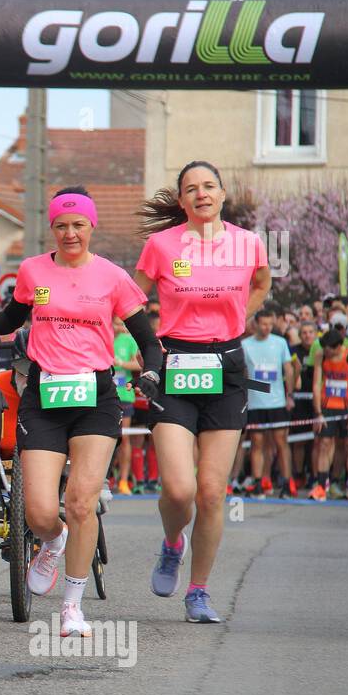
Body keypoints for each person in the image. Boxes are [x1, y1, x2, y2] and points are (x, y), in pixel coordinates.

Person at [0, 187, 161, 637]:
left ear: (91, 227)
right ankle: (51, 542)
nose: (70, 232)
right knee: (37, 512)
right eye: (61, 225)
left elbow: (148, 341)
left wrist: (151, 373)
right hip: (45, 395)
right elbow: (11, 318)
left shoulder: (112, 276)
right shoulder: (34, 270)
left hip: (95, 395)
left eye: (78, 225)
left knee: (79, 502)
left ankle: (72, 608)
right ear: (52, 229)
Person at [133, 160, 271, 624]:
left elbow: (262, 283)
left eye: (209, 186)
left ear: (222, 193)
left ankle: (198, 592)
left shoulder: (248, 243)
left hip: (227, 367)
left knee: (211, 493)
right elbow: (133, 302)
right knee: (178, 488)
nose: (201, 194)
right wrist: (144, 347)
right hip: (175, 365)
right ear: (181, 201)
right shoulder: (160, 246)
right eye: (191, 189)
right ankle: (173, 543)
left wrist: (239, 321)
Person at [241, 308, 296, 498]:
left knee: (281, 442)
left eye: (270, 324)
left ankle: (287, 483)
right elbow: (243, 374)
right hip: (256, 403)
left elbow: (288, 369)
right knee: (256, 442)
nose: (267, 328)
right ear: (256, 324)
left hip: (277, 401)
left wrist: (290, 395)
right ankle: (257, 482)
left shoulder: (280, 343)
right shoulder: (246, 345)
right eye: (263, 324)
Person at [309, 328, 348, 501]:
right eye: (324, 348)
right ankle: (320, 486)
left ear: (339, 346)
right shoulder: (320, 355)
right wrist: (318, 413)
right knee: (324, 443)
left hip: (347, 406)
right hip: (327, 405)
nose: (326, 351)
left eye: (329, 349)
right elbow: (317, 384)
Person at [111, 314, 141, 495]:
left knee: (124, 438)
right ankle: (107, 477)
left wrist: (121, 363)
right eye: (117, 323)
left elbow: (139, 364)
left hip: (124, 394)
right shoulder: (101, 336)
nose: (120, 327)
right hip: (103, 394)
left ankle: (123, 480)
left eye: (122, 324)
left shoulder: (128, 340)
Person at [289, 320, 319, 491]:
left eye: (310, 332)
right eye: (304, 332)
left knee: (316, 441)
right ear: (300, 336)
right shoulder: (294, 351)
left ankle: (315, 476)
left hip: (316, 400)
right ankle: (299, 474)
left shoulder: (320, 351)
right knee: (299, 441)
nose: (308, 335)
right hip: (299, 400)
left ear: (315, 334)